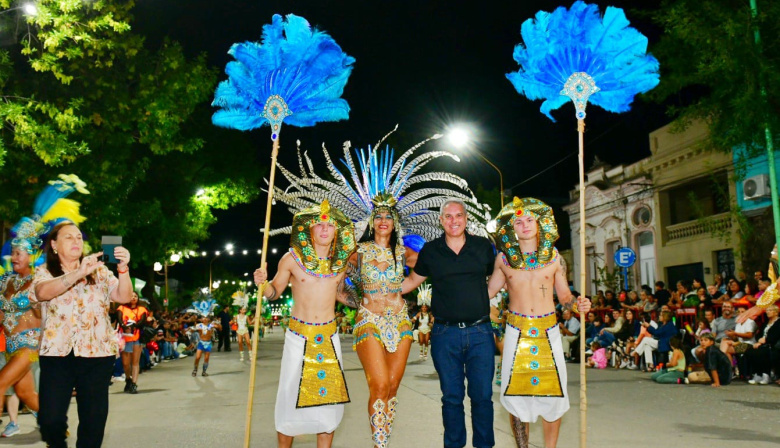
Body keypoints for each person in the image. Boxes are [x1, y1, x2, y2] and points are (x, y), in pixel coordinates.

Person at [483, 197, 590, 448]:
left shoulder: (554, 258)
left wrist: (577, 305)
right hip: (515, 332)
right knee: (516, 396)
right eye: (518, 222)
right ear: (511, 228)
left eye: (530, 219)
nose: (525, 225)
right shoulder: (504, 259)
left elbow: (564, 296)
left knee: (554, 396)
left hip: (548, 332)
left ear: (540, 223)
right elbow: (485, 294)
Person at [254, 200, 355, 448]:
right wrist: (263, 284)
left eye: (329, 225)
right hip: (298, 338)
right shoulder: (291, 259)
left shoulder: (340, 264)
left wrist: (374, 300)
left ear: (336, 231)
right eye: (319, 225)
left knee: (329, 405)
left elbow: (343, 295)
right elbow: (275, 291)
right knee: (289, 398)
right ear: (309, 229)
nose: (324, 229)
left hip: (329, 339)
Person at [402, 199, 497, 448]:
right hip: (445, 335)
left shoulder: (482, 247)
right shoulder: (431, 251)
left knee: (483, 398)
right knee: (452, 398)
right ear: (441, 220)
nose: (454, 220)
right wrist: (376, 293)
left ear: (466, 219)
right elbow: (412, 281)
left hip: (481, 333)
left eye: (459, 215)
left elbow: (502, 272)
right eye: (449, 216)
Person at [33, 221, 133, 448]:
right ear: (54, 244)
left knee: (93, 422)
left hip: (97, 354)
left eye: (79, 237)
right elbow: (41, 292)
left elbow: (124, 296)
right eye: (69, 237)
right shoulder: (44, 272)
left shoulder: (98, 270)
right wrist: (78, 273)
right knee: (50, 420)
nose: (76, 241)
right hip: (57, 355)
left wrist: (123, 269)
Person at [117, 292, 148, 394]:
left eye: (135, 296)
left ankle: (134, 384)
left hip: (136, 337)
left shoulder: (142, 309)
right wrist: (124, 326)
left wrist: (135, 326)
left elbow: (143, 321)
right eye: (131, 296)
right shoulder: (122, 308)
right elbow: (119, 319)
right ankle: (128, 379)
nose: (133, 298)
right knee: (126, 363)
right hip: (125, 338)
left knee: (135, 362)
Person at [743, 304, 780, 385]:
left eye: (770, 310)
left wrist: (765, 340)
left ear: (776, 312)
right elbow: (759, 334)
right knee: (749, 352)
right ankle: (757, 374)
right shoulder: (765, 322)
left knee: (762, 353)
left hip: (772, 345)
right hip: (761, 343)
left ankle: (766, 375)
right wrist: (758, 341)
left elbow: (776, 335)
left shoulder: (778, 323)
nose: (768, 312)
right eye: (767, 311)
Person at [191, 312, 219, 377]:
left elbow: (219, 327)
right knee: (198, 357)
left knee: (206, 358)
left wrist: (216, 324)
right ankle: (195, 370)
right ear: (201, 319)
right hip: (201, 342)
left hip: (208, 343)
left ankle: (204, 371)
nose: (205, 319)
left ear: (208, 319)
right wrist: (196, 328)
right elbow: (193, 330)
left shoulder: (210, 325)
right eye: (203, 318)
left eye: (206, 318)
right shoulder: (199, 325)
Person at [412, 287, 434, 360]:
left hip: (427, 329)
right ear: (421, 308)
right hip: (421, 329)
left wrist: (431, 322)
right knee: (421, 341)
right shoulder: (419, 314)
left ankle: (425, 354)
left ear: (427, 308)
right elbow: (414, 319)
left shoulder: (429, 314)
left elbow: (432, 320)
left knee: (426, 341)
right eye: (423, 307)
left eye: (425, 307)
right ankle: (421, 353)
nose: (424, 308)